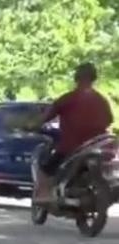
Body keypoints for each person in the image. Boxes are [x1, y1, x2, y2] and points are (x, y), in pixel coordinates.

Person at [34, 62, 114, 203]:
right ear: (94, 78)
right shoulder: (102, 101)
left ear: (76, 77)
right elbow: (109, 120)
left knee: (45, 169)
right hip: (96, 147)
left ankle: (44, 196)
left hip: (70, 148)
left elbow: (46, 117)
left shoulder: (68, 98)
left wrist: (34, 125)